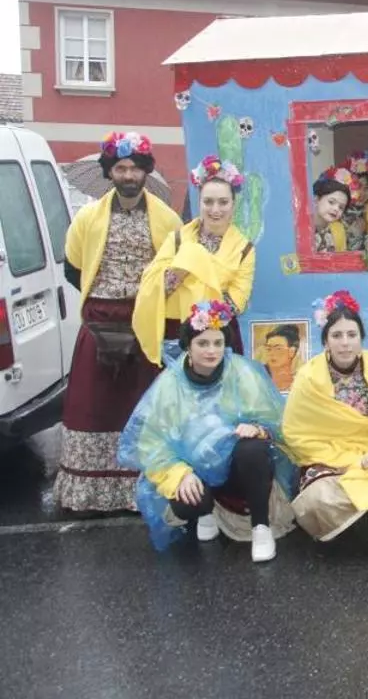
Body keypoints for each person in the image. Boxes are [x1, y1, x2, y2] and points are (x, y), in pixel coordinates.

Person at [57, 131, 182, 512]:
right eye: (121, 168)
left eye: (135, 168)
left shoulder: (168, 219)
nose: (128, 175)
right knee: (93, 407)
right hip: (99, 322)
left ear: (146, 172)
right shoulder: (87, 217)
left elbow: (176, 270)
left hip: (145, 324)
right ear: (109, 171)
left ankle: (143, 489)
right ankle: (90, 493)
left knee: (141, 405)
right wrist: (106, 296)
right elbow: (73, 268)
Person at [118, 301, 295, 560]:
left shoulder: (242, 371)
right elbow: (151, 444)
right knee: (187, 502)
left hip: (236, 468)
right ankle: (206, 511)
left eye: (217, 343)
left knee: (254, 449)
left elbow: (275, 421)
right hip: (196, 470)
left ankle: (260, 528)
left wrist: (258, 427)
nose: (211, 350)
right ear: (188, 346)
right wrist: (179, 474)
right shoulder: (170, 384)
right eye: (202, 343)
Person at [282, 291, 368, 543]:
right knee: (320, 497)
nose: (345, 343)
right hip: (328, 458)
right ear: (325, 341)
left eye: (352, 335)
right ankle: (366, 522)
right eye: (337, 336)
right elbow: (296, 433)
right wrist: (344, 460)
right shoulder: (309, 377)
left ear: (361, 339)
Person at [133, 156, 255, 366]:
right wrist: (184, 268)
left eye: (223, 202)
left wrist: (202, 314)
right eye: (208, 202)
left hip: (218, 336)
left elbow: (237, 302)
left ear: (233, 204)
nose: (215, 210)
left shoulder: (244, 249)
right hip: (175, 334)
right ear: (199, 202)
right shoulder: (177, 239)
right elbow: (153, 288)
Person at [311, 170, 353, 253]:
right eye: (331, 202)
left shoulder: (339, 229)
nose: (336, 209)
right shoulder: (299, 229)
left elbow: (341, 259)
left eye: (341, 207)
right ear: (316, 200)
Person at [263, 324, 301, 393]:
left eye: (278, 348)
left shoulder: (300, 383)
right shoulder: (259, 381)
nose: (272, 353)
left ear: (292, 351)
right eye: (268, 349)